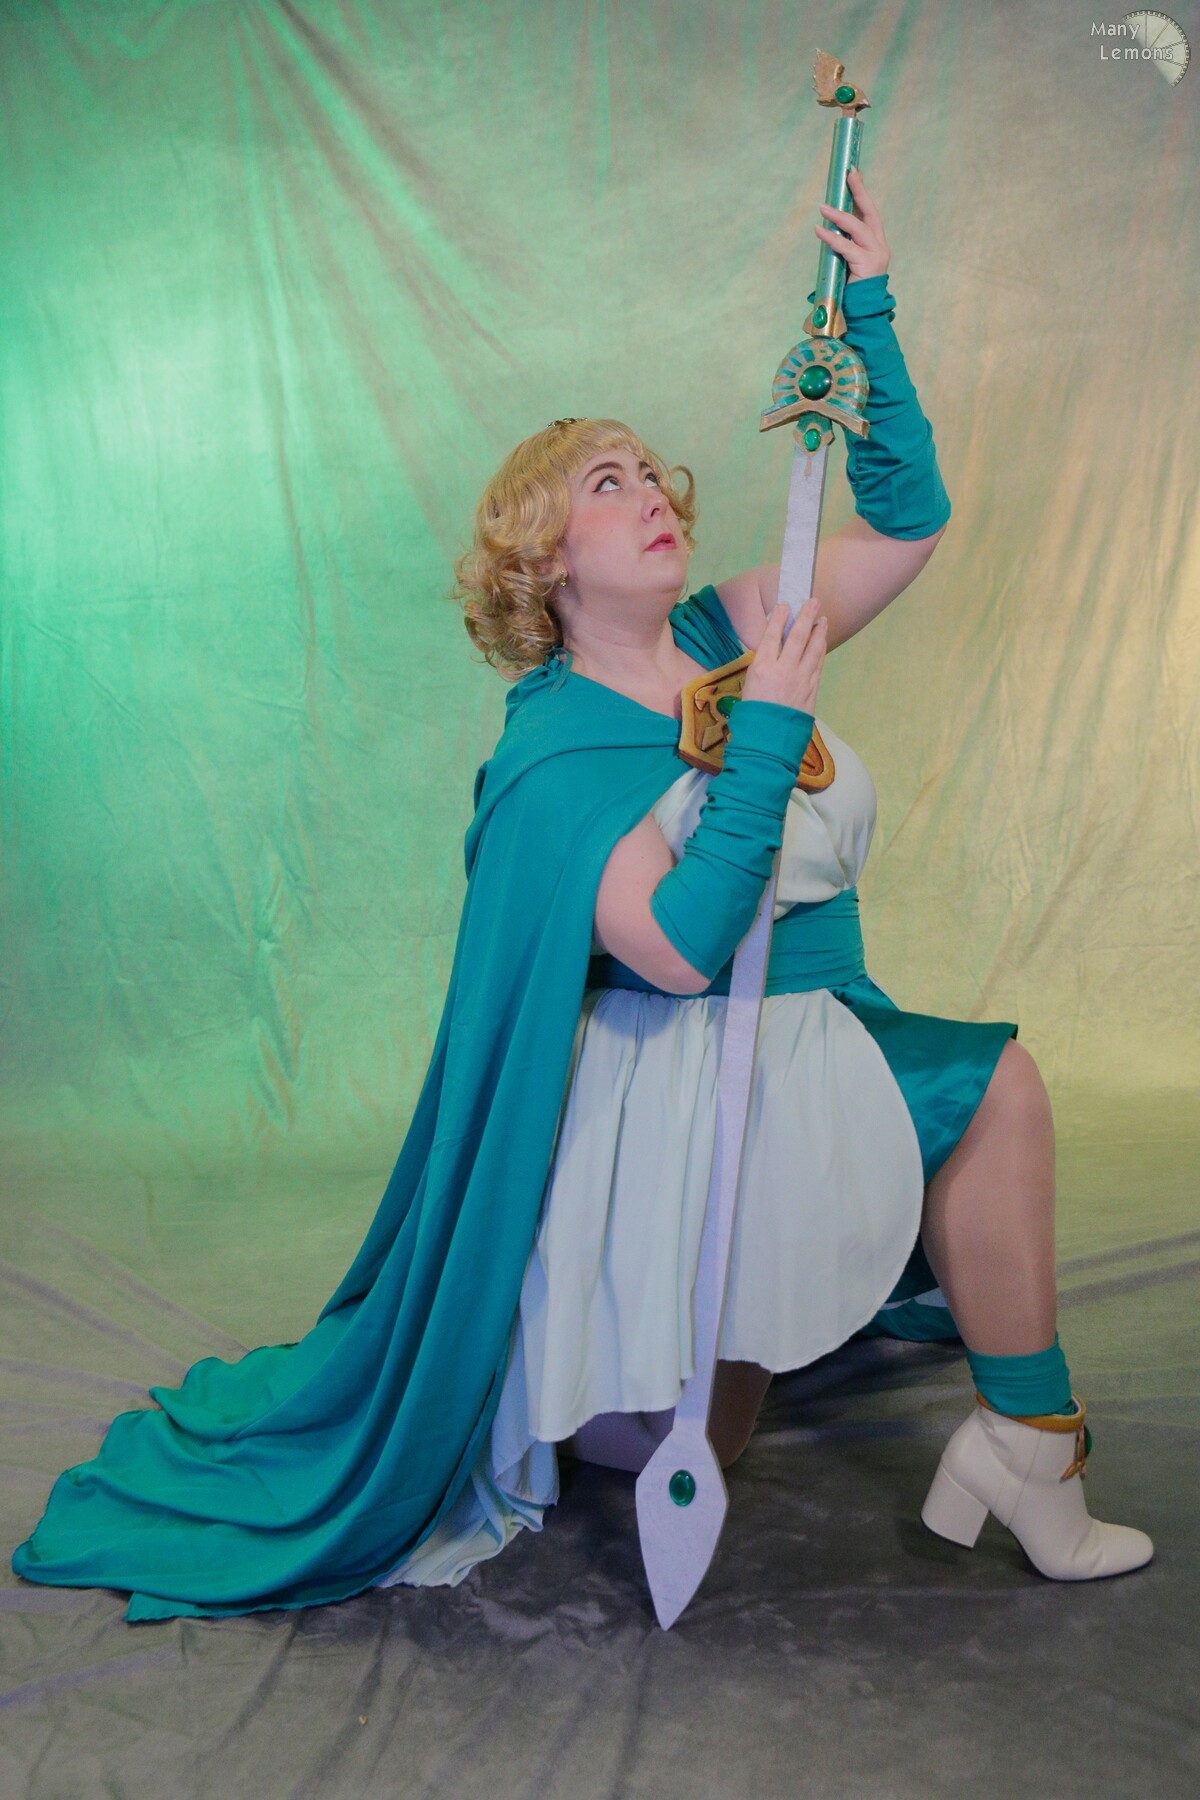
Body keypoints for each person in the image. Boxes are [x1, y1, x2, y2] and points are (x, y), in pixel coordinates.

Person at [11, 175, 1150, 1622]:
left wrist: (870, 313)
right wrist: (773, 730)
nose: (653, 492)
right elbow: (677, 949)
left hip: (812, 1043)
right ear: (543, 558)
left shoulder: (723, 629)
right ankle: (544, 1349)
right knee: (693, 1430)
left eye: (652, 473)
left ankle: (1029, 1451)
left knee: (997, 1090)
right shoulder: (551, 757)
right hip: (676, 1096)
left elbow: (908, 524)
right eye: (606, 483)